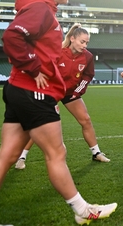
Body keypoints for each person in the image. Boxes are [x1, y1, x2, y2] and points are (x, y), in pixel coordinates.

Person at [0, 0, 116, 226]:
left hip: (18, 89)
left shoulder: (40, 6)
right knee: (56, 153)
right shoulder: (42, 9)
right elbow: (12, 37)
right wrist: (34, 67)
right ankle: (84, 210)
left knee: (7, 155)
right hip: (34, 92)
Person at [15, 24, 109, 170]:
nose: (84, 45)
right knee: (40, 124)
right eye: (82, 42)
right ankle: (22, 156)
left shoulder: (88, 57)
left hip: (71, 92)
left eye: (87, 43)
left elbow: (88, 75)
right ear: (72, 39)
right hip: (51, 92)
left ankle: (96, 153)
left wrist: (78, 90)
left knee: (86, 120)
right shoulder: (57, 52)